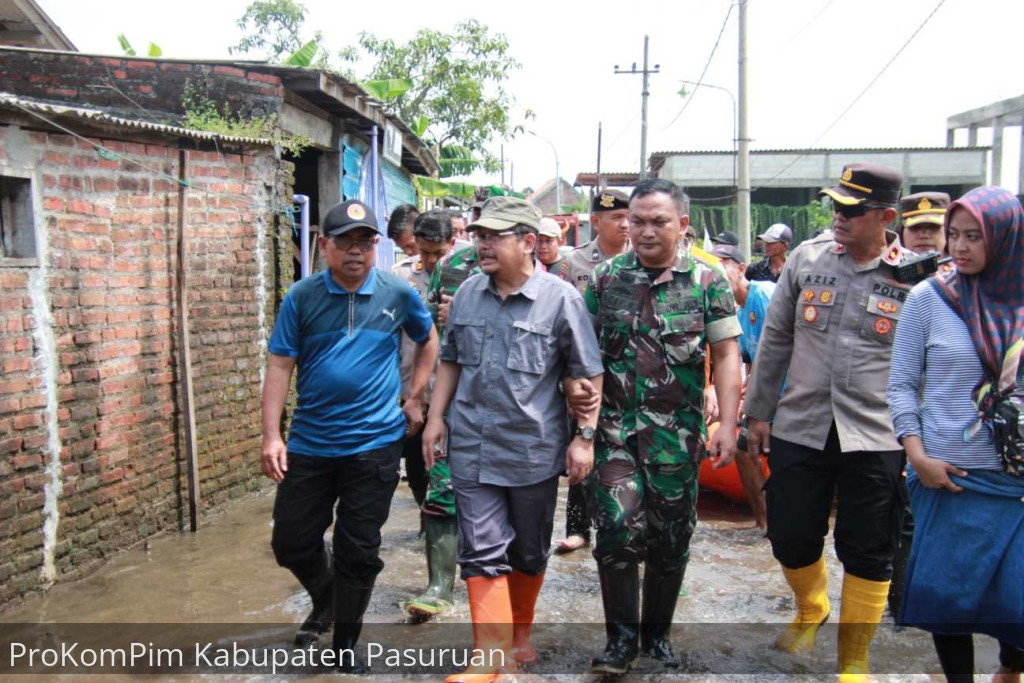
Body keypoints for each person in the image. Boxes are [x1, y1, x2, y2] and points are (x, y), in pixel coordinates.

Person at [422, 197, 605, 682]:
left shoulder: (561, 299)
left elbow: (588, 376)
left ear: (528, 243)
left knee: (527, 550)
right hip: (471, 445)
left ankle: (519, 635)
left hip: (532, 449)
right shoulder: (465, 295)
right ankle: (490, 657)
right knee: (480, 549)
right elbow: (451, 360)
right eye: (479, 235)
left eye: (494, 236)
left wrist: (583, 440)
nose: (483, 245)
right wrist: (436, 416)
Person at [745, 163, 915, 678]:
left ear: (885, 216)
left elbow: (928, 362)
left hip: (877, 432)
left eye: (851, 210)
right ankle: (811, 608)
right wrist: (757, 412)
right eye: (835, 207)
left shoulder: (916, 276)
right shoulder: (807, 259)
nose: (838, 217)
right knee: (791, 535)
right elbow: (775, 341)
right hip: (803, 423)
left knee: (868, 547)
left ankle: (854, 655)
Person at [262, 199, 439, 670]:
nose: (356, 252)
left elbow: (428, 340)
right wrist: (271, 436)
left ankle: (343, 648)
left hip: (374, 444)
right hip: (311, 442)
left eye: (365, 242)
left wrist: (416, 396)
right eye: (345, 242)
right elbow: (280, 364)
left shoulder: (398, 293)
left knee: (357, 550)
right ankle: (326, 597)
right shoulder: (302, 297)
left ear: (375, 248)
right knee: (292, 543)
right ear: (325, 246)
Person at [585, 179, 743, 673]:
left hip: (676, 438)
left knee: (670, 539)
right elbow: (583, 355)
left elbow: (728, 354)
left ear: (682, 225)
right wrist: (579, 427)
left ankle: (657, 638)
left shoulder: (707, 281)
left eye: (659, 221)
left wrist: (730, 425)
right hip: (614, 433)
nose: (646, 231)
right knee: (614, 530)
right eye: (638, 221)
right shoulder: (605, 279)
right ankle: (620, 641)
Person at [887, 186, 1024, 682]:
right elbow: (901, 383)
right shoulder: (930, 297)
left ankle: (1009, 670)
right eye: (954, 236)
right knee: (948, 597)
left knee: (1017, 596)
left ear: (1006, 238)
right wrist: (916, 455)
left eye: (974, 237)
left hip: (1016, 481)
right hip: (948, 474)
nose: (959, 248)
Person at [554, 189, 632, 555]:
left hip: (631, 370)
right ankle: (578, 527)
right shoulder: (575, 263)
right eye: (616, 218)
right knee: (582, 446)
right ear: (597, 222)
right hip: (587, 371)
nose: (625, 224)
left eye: (627, 216)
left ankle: (628, 525)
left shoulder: (641, 259)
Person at [392, 210, 461, 621]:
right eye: (425, 252)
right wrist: (407, 393)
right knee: (418, 467)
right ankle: (431, 523)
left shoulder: (470, 272)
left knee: (448, 477)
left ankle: (451, 564)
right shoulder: (400, 278)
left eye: (440, 252)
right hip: (414, 388)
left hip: (459, 397)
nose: (433, 261)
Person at [888, 190, 951, 621]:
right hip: (889, 410)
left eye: (934, 228)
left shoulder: (965, 282)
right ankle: (901, 597)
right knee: (899, 512)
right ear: (904, 230)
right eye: (918, 229)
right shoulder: (889, 275)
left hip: (948, 413)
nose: (926, 238)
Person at [710, 242, 776, 529]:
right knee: (740, 448)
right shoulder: (737, 313)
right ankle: (764, 524)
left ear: (740, 268)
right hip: (764, 394)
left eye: (723, 264)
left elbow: (778, 346)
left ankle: (780, 526)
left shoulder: (763, 294)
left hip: (787, 396)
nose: (718, 271)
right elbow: (747, 360)